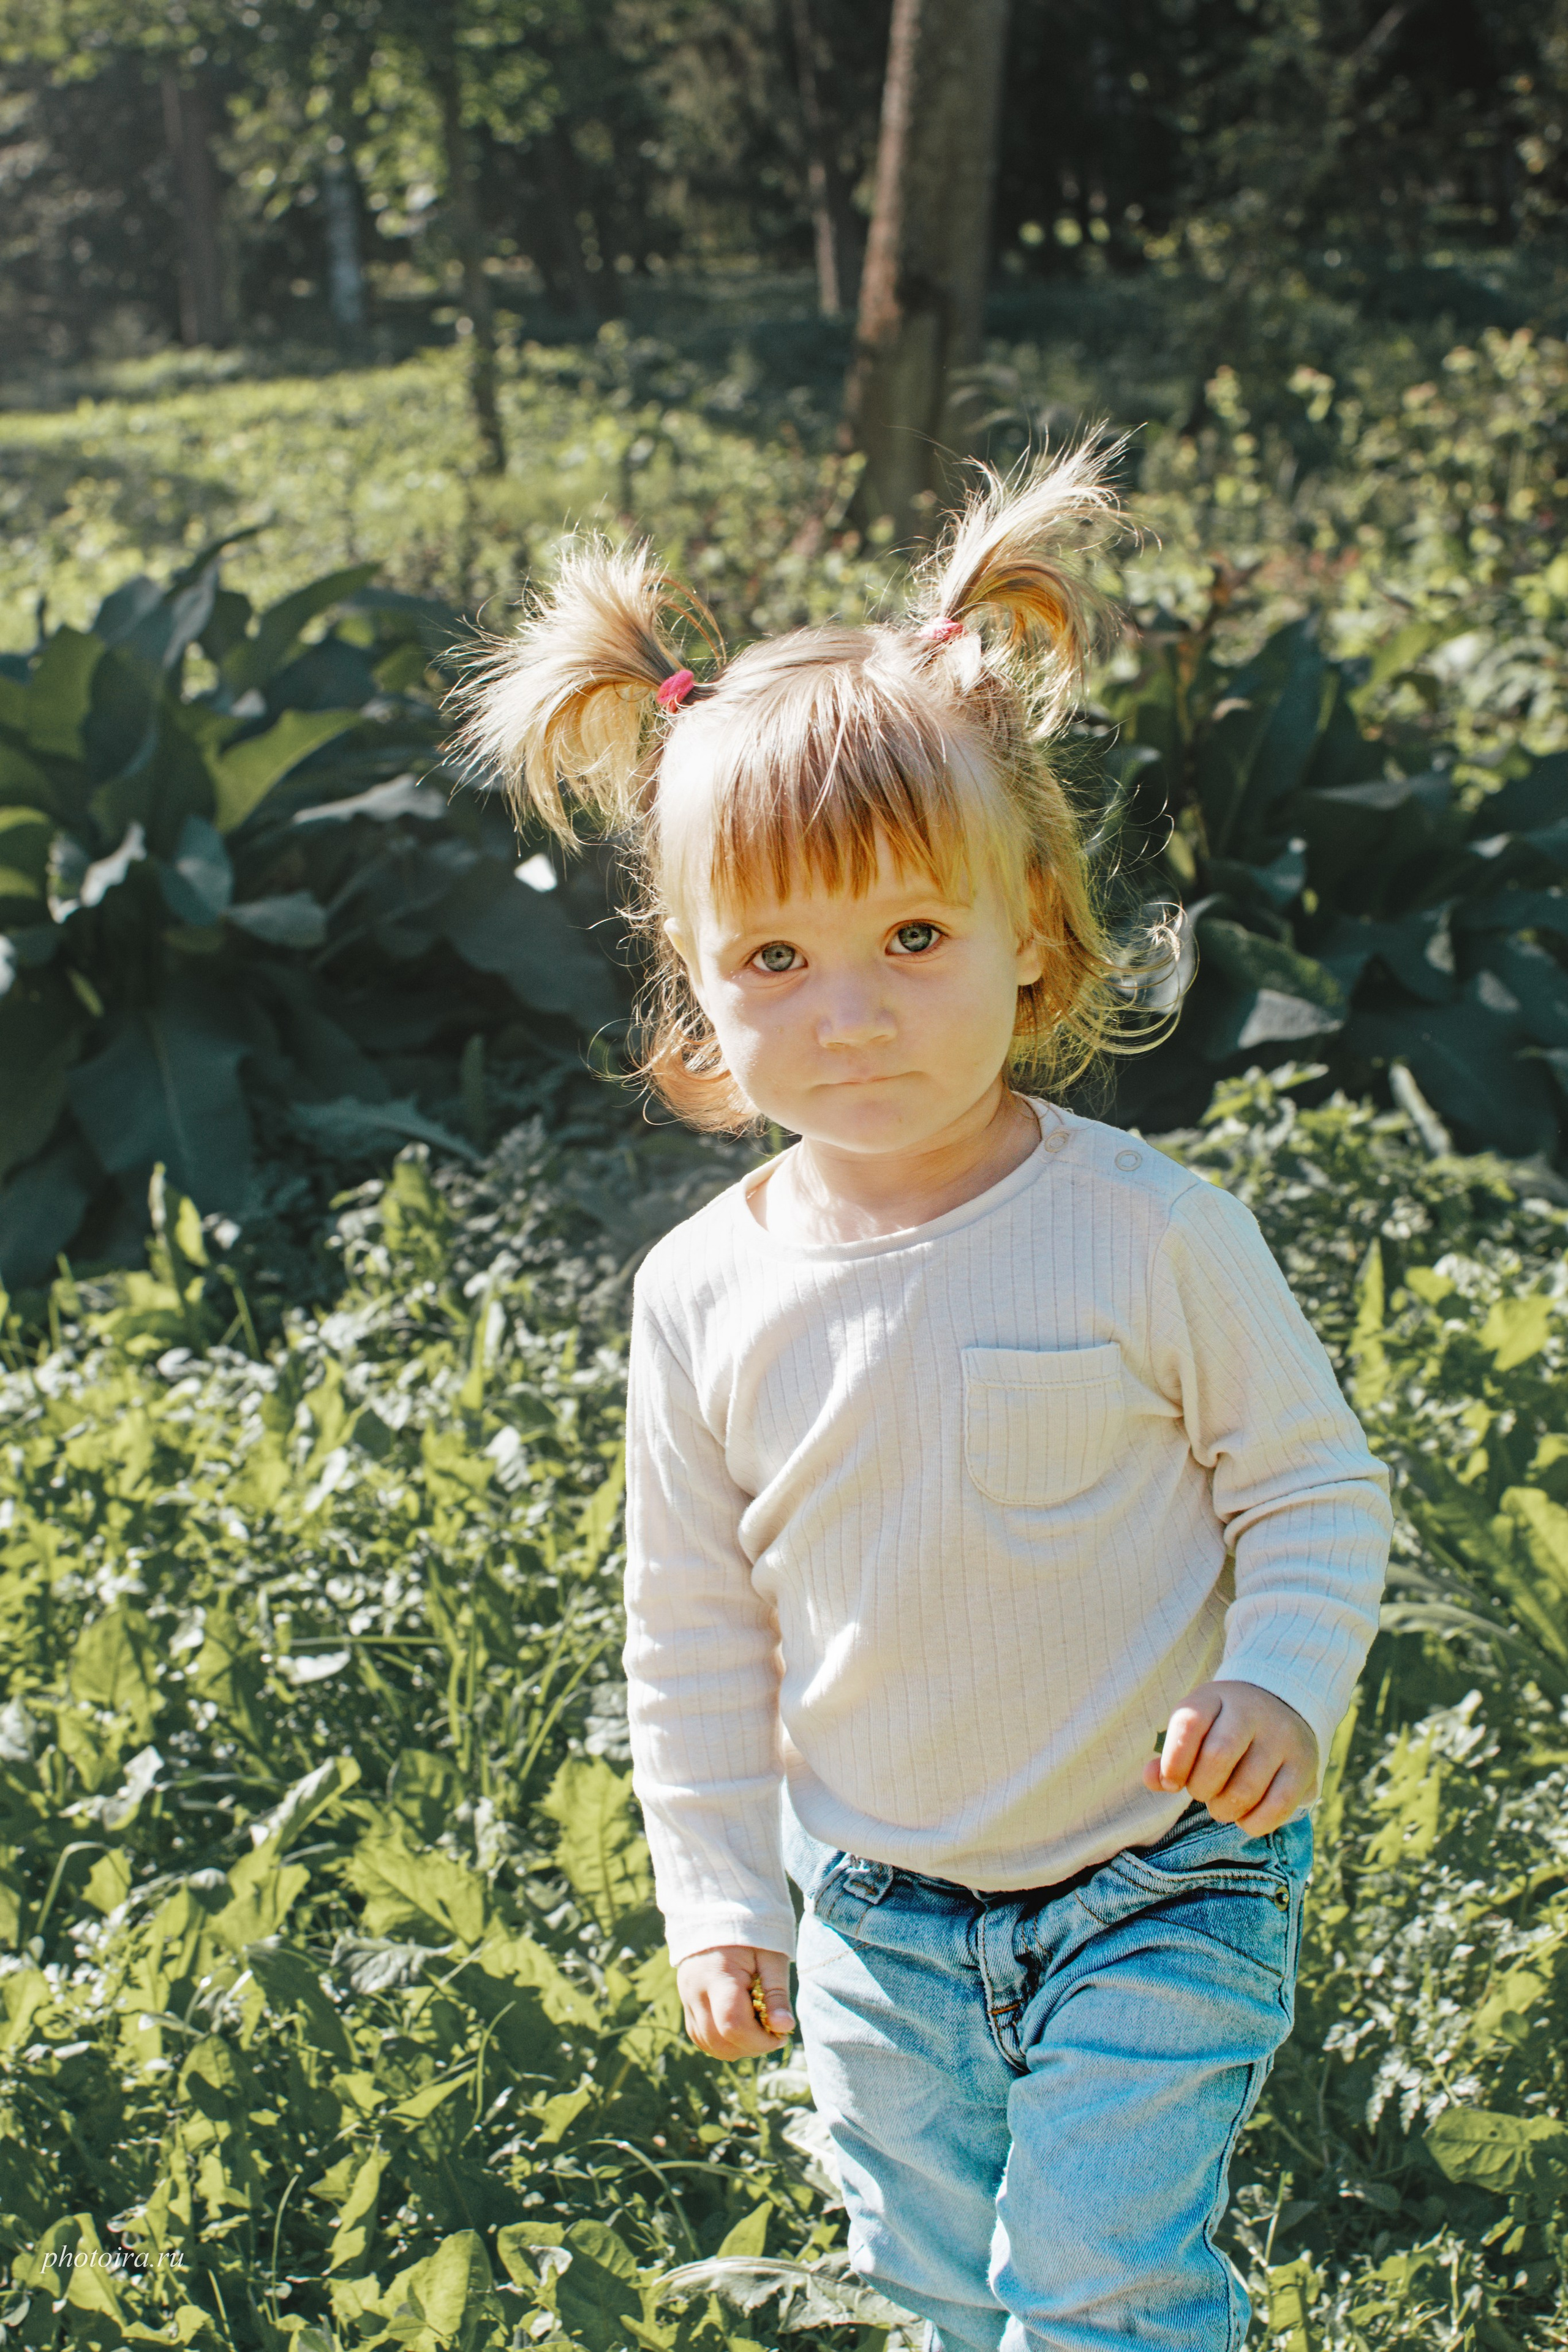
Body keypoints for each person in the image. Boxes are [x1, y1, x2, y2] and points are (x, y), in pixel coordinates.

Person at [460, 447, 1392, 2351]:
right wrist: (722, 1895)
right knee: (937, 2289)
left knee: (1101, 2293)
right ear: (699, 996)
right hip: (874, 1908)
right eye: (776, 962)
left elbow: (1308, 1491)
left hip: (1160, 1879)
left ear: (1034, 938)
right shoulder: (703, 1294)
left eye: (911, 938)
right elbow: (692, 1624)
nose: (850, 1013)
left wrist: (1286, 1679)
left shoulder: (1145, 1234)